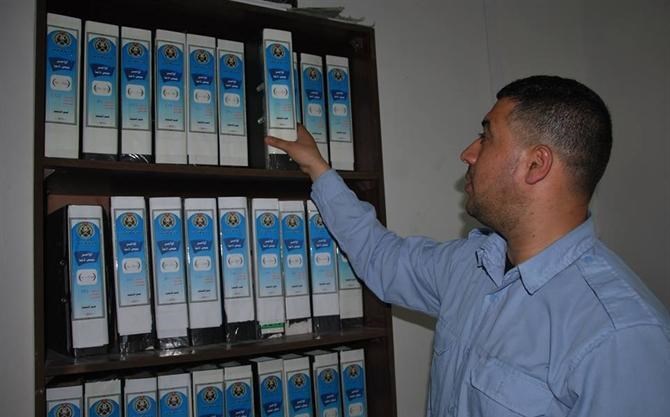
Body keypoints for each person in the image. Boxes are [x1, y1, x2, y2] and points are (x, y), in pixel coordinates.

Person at [266, 75, 670, 417]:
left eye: (486, 137)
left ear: (536, 164)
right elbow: (381, 256)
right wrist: (318, 168)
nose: (468, 153)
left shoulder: (621, 336)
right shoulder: (472, 265)